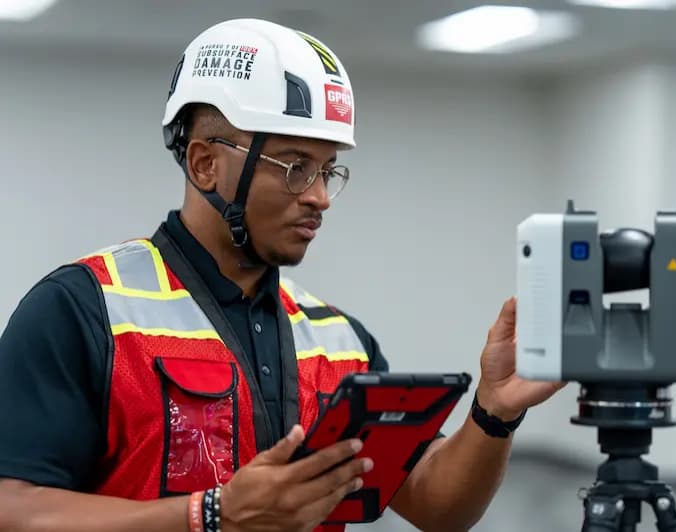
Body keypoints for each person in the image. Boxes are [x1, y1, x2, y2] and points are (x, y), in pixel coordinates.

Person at [0, 18, 563, 532]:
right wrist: (211, 514)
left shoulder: (339, 342)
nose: (320, 197)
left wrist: (495, 410)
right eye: (296, 167)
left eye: (328, 169)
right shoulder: (84, 309)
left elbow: (436, 508)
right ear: (205, 163)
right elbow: (14, 509)